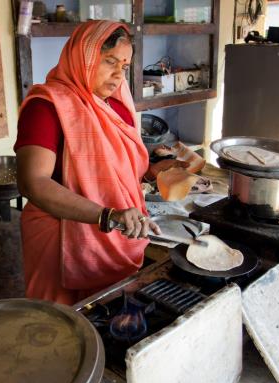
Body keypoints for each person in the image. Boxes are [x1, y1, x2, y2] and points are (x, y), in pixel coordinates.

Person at [15, 20, 187, 305]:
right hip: (58, 241)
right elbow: (33, 183)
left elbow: (115, 171)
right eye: (109, 61)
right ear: (83, 56)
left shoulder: (116, 105)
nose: (118, 75)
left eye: (124, 65)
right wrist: (106, 215)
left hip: (117, 233)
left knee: (111, 319)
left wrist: (149, 173)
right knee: (61, 329)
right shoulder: (46, 107)